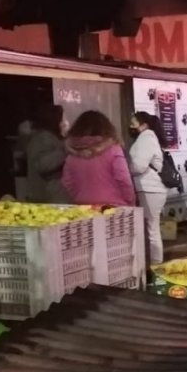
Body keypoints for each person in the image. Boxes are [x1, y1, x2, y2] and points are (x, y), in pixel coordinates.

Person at [61, 111, 135, 207]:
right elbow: (124, 180)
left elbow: (67, 183)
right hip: (114, 208)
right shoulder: (113, 150)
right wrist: (130, 201)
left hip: (83, 208)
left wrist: (80, 197)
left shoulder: (72, 154)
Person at [129, 111, 170, 264]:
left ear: (143, 125)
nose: (130, 126)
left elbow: (139, 166)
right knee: (151, 228)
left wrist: (126, 168)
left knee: (152, 230)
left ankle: (156, 266)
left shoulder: (146, 138)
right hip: (152, 189)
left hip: (150, 189)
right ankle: (153, 264)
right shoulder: (148, 138)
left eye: (133, 123)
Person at [25, 105, 71, 203]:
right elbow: (42, 164)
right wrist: (64, 150)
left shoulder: (47, 136)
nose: (65, 123)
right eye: (63, 119)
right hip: (44, 198)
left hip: (46, 197)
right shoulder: (43, 137)